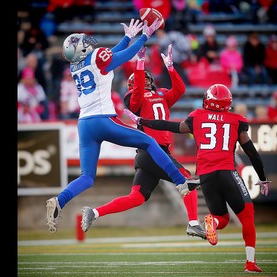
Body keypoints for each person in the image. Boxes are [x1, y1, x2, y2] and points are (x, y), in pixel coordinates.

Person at [45, 18, 198, 234]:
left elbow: (111, 57)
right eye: (83, 42)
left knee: (87, 176)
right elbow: (121, 57)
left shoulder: (75, 65)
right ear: (81, 48)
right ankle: (181, 181)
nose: (88, 42)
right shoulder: (97, 57)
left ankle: (59, 200)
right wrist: (145, 35)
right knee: (148, 140)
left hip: (84, 124)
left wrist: (127, 37)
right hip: (102, 120)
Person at [124, 83, 271, 272]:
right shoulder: (237, 120)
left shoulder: (197, 116)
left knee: (221, 218)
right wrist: (262, 177)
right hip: (228, 172)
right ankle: (250, 262)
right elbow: (251, 153)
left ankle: (212, 222)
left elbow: (171, 126)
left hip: (205, 177)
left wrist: (142, 120)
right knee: (247, 216)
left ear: (208, 100)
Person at [80, 45, 205, 239]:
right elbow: (137, 95)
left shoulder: (162, 94)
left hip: (154, 155)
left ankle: (94, 212)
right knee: (187, 180)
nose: (146, 81)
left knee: (136, 198)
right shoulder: (133, 96)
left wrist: (171, 68)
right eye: (142, 79)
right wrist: (139, 64)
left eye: (148, 78)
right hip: (152, 152)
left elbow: (180, 90)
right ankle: (193, 223)